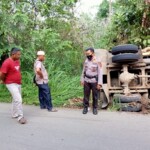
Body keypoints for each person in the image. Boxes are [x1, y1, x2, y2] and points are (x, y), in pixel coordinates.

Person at [0, 47, 27, 124]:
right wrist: (3, 80)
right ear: (13, 54)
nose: (19, 56)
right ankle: (20, 117)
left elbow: (17, 70)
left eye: (20, 54)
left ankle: (14, 114)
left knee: (15, 99)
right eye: (18, 54)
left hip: (18, 83)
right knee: (18, 99)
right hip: (10, 84)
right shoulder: (7, 62)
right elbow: (2, 74)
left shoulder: (17, 61)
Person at [80, 47, 103, 115]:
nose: (87, 55)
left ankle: (95, 108)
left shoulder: (98, 61)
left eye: (89, 53)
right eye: (86, 54)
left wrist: (99, 83)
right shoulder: (86, 61)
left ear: (93, 53)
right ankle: (85, 108)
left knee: (95, 96)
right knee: (86, 95)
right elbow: (84, 70)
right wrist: (82, 79)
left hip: (94, 81)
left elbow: (100, 72)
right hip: (87, 80)